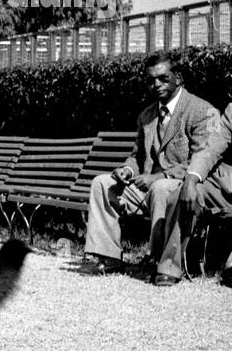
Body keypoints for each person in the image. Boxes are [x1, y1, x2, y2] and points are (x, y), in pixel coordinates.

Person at [83, 50, 218, 284]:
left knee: (161, 187)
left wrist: (159, 176)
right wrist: (128, 170)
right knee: (102, 184)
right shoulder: (147, 115)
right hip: (147, 188)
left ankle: (157, 260)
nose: (156, 84)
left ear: (179, 78)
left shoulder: (201, 110)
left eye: (163, 78)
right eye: (151, 80)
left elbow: (202, 159)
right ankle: (108, 256)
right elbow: (137, 155)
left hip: (180, 189)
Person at [163, 75, 232, 289]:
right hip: (226, 185)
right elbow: (210, 149)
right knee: (182, 193)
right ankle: (169, 266)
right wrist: (191, 179)